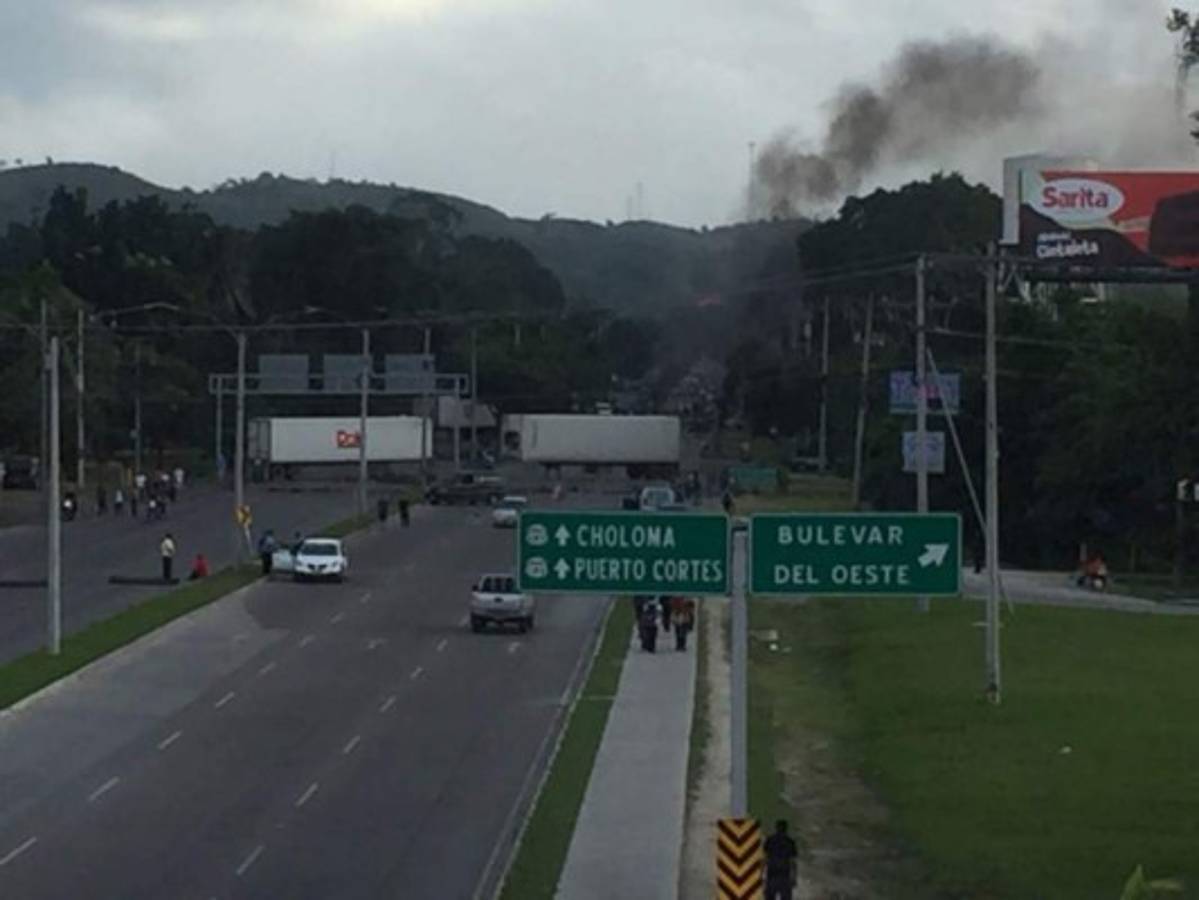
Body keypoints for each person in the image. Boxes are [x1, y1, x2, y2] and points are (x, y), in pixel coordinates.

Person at [762, 819, 799, 900]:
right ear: (786, 829)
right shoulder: (790, 842)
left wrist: (761, 875)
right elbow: (793, 862)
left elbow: (765, 859)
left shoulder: (770, 840)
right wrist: (794, 877)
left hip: (772, 875)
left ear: (776, 828)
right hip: (784, 876)